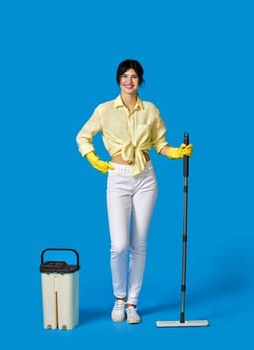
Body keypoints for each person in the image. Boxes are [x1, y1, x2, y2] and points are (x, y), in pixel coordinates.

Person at [76, 59, 193, 325]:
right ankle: (118, 297)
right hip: (118, 177)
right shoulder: (105, 110)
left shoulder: (150, 111)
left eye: (135, 76)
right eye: (125, 76)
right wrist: (92, 157)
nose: (129, 80)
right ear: (118, 79)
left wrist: (175, 152)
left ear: (141, 80)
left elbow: (160, 143)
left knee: (139, 243)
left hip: (145, 178)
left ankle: (132, 303)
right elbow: (82, 136)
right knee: (119, 245)